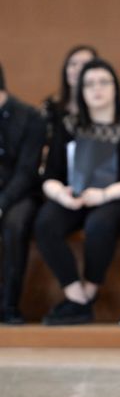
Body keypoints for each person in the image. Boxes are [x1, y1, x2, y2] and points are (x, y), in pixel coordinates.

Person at [35, 58, 120, 325]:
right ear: (81, 91)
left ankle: (89, 291)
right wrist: (62, 194)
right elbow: (49, 174)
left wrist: (105, 194)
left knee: (100, 225)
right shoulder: (70, 124)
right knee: (45, 223)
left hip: (117, 196)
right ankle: (76, 297)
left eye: (103, 82)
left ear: (115, 87)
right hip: (75, 196)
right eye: (89, 84)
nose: (97, 89)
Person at [0, 63, 47, 324]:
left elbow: (27, 171)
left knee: (15, 225)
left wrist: (2, 202)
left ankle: (9, 304)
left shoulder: (29, 116)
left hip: (20, 193)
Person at [42, 45, 98, 146]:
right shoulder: (51, 107)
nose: (77, 69)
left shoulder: (103, 108)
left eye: (85, 65)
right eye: (73, 64)